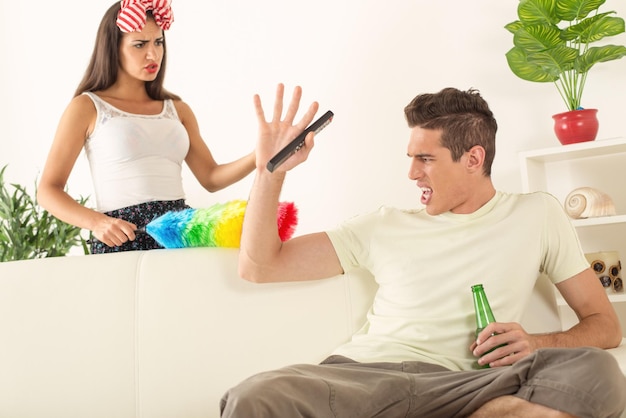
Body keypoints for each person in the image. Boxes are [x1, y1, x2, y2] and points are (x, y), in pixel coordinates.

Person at [221, 84, 626, 417]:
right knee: (254, 396)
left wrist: (535, 344)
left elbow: (605, 326)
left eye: (426, 159)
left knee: (598, 372)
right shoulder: (383, 224)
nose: (412, 172)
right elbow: (259, 266)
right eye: (412, 158)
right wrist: (268, 171)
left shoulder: (537, 214)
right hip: (365, 380)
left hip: (468, 387)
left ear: (473, 158)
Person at [37, 0, 255, 254]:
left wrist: (258, 156)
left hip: (179, 236)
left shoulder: (178, 110)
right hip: (122, 238)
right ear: (113, 49)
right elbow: (48, 190)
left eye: (158, 42)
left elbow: (211, 177)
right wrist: (97, 222)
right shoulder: (87, 107)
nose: (153, 55)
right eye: (139, 44)